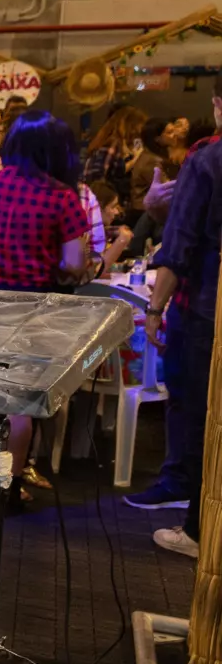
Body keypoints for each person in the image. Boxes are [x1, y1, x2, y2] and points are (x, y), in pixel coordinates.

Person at [0, 112, 89, 498]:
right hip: (32, 307)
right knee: (19, 401)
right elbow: (74, 263)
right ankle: (7, 484)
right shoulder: (61, 196)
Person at [128, 77, 221, 542]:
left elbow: (180, 245)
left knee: (192, 402)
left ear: (217, 104)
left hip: (203, 304)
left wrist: (154, 308)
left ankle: (192, 511)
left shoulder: (207, 159)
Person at [82, 106, 146, 196]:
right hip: (100, 197)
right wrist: (135, 159)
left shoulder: (109, 142)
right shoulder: (113, 144)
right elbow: (99, 176)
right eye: (136, 130)